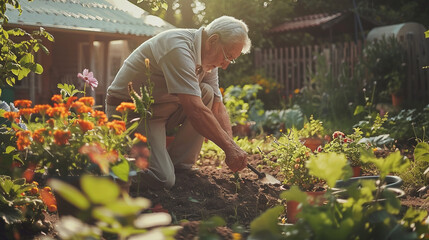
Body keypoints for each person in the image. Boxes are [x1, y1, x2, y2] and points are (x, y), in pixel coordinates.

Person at [105, 16, 251, 189]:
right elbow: (195, 110)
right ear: (213, 40)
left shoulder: (207, 60)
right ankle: (110, 174)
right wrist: (228, 148)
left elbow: (216, 107)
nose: (225, 65)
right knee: (162, 178)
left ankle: (180, 166)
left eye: (231, 59)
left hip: (162, 109)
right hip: (133, 112)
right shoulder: (178, 47)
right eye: (227, 56)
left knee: (208, 94)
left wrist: (233, 147)